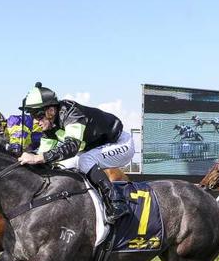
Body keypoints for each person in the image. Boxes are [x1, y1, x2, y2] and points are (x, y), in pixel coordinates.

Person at [17, 82, 135, 223]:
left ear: (51, 110)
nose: (36, 121)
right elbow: (44, 154)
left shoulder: (71, 112)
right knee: (62, 165)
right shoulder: (49, 128)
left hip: (121, 144)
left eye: (38, 115)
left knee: (84, 160)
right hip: (97, 148)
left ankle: (116, 202)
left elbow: (72, 147)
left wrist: (38, 158)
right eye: (32, 116)